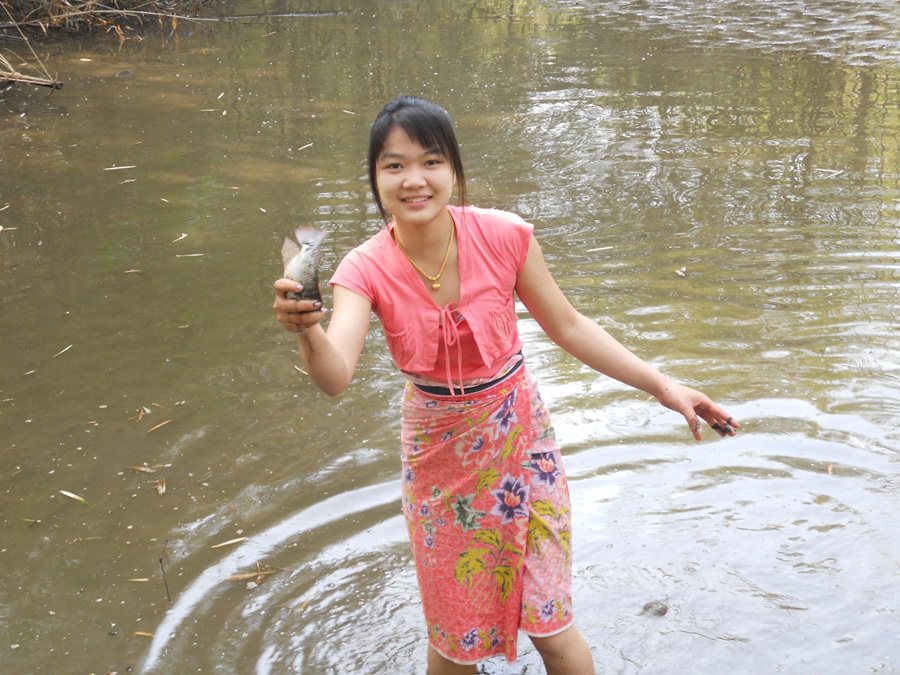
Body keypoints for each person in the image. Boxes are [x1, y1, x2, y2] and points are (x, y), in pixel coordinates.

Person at [273, 95, 739, 675]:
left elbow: (568, 325)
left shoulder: (504, 235)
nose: (414, 180)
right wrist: (307, 332)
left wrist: (664, 386)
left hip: (521, 437)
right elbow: (335, 376)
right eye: (394, 166)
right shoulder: (363, 269)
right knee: (454, 638)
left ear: (454, 170)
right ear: (375, 178)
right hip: (439, 455)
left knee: (552, 622)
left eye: (431, 162)